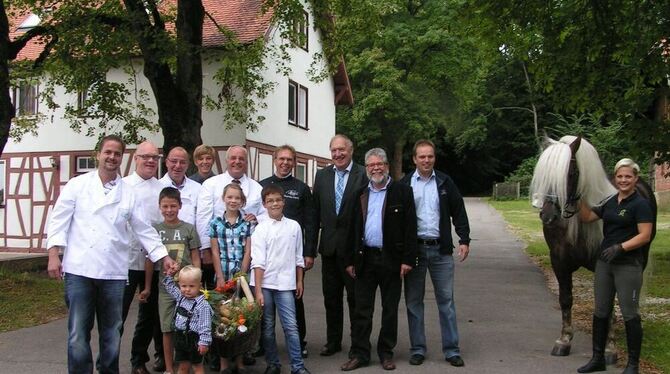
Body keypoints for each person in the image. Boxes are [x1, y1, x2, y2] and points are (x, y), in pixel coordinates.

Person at [46, 135, 178, 374]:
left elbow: (144, 229)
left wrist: (164, 257)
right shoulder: (78, 185)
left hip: (114, 272)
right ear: (98, 154)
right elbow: (58, 220)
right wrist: (54, 253)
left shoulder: (128, 193)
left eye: (117, 153)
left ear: (122, 158)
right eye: (108, 152)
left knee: (111, 332)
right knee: (78, 332)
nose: (112, 157)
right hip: (79, 270)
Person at [341, 148, 417, 371]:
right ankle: (360, 353)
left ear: (387, 166)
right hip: (365, 259)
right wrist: (349, 260)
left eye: (379, 164)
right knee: (362, 310)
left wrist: (408, 259)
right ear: (366, 169)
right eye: (371, 165)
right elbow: (352, 229)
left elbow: (411, 228)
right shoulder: (360, 193)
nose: (376, 168)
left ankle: (386, 352)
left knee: (390, 309)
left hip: (392, 260)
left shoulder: (402, 192)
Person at [577, 158, 653, 374]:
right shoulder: (611, 201)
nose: (623, 180)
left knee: (630, 313)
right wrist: (579, 194)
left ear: (635, 179)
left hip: (627, 265)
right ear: (615, 178)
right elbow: (587, 217)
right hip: (605, 264)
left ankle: (632, 365)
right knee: (601, 310)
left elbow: (645, 236)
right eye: (620, 176)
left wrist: (621, 247)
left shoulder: (640, 204)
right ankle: (598, 358)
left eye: (628, 176)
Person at [400, 139, 471, 368]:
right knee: (413, 302)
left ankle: (451, 350)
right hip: (415, 251)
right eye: (422, 156)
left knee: (446, 302)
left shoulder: (444, 182)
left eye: (430, 156)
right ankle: (418, 349)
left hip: (441, 251)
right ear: (414, 159)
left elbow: (458, 210)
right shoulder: (405, 184)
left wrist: (464, 239)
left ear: (434, 158)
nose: (426, 160)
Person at [310, 134, 368, 356]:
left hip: (354, 251)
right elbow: (315, 215)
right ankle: (333, 341)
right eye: (333, 150)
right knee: (331, 299)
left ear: (351, 150)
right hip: (329, 251)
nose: (337, 154)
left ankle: (357, 344)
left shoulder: (363, 175)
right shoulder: (322, 175)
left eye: (341, 150)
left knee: (356, 300)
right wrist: (310, 250)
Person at [259, 145, 317, 358]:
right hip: (268, 255)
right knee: (265, 302)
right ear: (275, 160)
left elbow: (311, 222)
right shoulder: (262, 185)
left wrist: (309, 253)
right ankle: (264, 343)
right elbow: (256, 216)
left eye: (289, 160)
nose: (285, 163)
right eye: (281, 159)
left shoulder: (301, 188)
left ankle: (299, 340)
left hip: (293, 255)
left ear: (294, 162)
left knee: (295, 298)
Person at [251, 184, 311, 374]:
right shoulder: (260, 229)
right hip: (265, 284)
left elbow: (298, 257)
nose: (274, 204)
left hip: (286, 284)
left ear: (283, 202)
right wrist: (258, 291)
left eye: (278, 200)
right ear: (264, 204)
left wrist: (299, 281)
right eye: (270, 201)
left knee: (291, 326)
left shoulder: (294, 226)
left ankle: (298, 366)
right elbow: (258, 262)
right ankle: (273, 364)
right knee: (267, 327)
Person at [143, 187, 201, 374]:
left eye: (173, 206)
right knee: (167, 329)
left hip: (187, 288)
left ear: (180, 206)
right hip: (165, 288)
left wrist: (197, 281)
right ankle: (169, 368)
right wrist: (147, 286)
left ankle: (190, 364)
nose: (169, 210)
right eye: (165, 206)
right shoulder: (155, 231)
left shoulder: (188, 229)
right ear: (159, 207)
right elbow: (150, 260)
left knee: (190, 327)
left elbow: (195, 257)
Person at [121, 141, 166, 374]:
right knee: (117, 315)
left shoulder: (162, 188)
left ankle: (138, 360)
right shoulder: (122, 186)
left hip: (154, 263)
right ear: (135, 158)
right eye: (145, 157)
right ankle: (107, 362)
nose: (150, 161)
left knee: (149, 317)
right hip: (125, 262)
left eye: (155, 158)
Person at [210, 183, 253, 373]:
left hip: (240, 278)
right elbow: (214, 251)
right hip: (223, 277)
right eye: (230, 197)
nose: (233, 201)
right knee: (222, 320)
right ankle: (224, 363)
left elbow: (248, 251)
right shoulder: (215, 223)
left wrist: (241, 276)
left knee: (241, 319)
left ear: (242, 201)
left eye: (237, 198)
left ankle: (240, 360)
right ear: (224, 198)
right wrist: (220, 277)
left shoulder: (247, 223)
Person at [162, 265, 213, 374]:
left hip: (194, 340)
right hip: (180, 338)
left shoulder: (202, 305)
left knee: (197, 367)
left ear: (199, 286)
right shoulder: (181, 297)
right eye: (184, 286)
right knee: (183, 367)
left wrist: (204, 342)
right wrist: (170, 275)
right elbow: (170, 286)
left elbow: (205, 326)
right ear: (179, 285)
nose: (187, 289)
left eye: (191, 286)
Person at [159, 147, 201, 226]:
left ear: (188, 165)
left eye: (182, 162)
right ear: (167, 162)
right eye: (174, 161)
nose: (178, 166)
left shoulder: (198, 188)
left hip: (191, 237)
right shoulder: (157, 187)